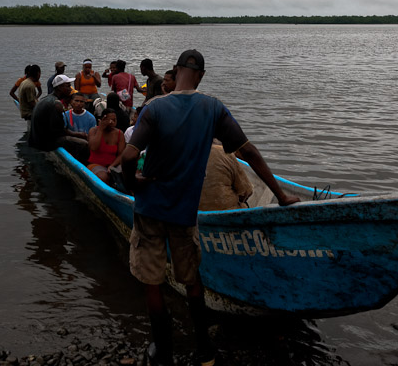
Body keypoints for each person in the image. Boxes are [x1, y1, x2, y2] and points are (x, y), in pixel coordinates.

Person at [119, 49, 300, 365]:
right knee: (192, 281)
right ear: (201, 75)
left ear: (175, 71)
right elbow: (250, 152)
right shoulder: (213, 108)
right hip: (184, 214)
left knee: (153, 281)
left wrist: (134, 184)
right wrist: (281, 195)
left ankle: (163, 352)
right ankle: (204, 351)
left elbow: (130, 156)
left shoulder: (155, 108)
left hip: (149, 210)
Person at [198, 140, 254, 211]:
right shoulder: (225, 153)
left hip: (191, 213)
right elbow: (247, 192)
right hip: (228, 212)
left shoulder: (183, 152)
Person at [30, 73, 75, 151]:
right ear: (60, 87)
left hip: (36, 140)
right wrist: (79, 134)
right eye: (68, 86)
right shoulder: (56, 104)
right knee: (84, 144)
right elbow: (58, 131)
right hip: (44, 143)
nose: (71, 89)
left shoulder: (45, 98)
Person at [86, 111, 125, 184]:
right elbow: (93, 148)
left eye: (114, 120)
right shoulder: (93, 130)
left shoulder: (119, 133)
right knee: (103, 177)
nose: (112, 122)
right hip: (95, 164)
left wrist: (112, 166)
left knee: (125, 175)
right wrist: (101, 129)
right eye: (109, 120)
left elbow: (121, 154)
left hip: (113, 165)